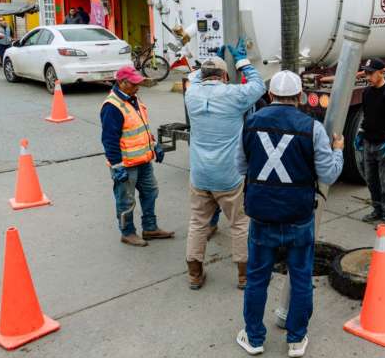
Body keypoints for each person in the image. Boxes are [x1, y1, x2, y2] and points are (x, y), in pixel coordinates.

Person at [235, 70, 344, 358]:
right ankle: (296, 340)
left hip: (261, 215)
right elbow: (329, 175)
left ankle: (254, 338)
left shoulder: (250, 123)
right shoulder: (313, 128)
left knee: (257, 278)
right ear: (299, 97)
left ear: (270, 95)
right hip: (299, 215)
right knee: (301, 277)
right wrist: (338, 150)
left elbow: (241, 167)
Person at [183, 39, 265, 290]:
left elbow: (195, 77)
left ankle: (194, 274)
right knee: (239, 224)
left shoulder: (191, 94)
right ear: (224, 76)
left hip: (200, 174)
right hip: (229, 175)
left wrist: (209, 62)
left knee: (198, 223)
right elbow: (259, 85)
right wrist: (241, 61)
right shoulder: (234, 95)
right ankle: (243, 276)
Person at [100, 65, 173, 246]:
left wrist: (154, 145)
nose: (137, 87)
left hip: (143, 160)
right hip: (126, 165)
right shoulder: (112, 107)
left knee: (151, 192)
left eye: (138, 83)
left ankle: (150, 228)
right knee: (126, 201)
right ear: (121, 83)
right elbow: (109, 140)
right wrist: (117, 166)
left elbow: (141, 127)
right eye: (133, 84)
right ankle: (127, 233)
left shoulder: (134, 99)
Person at [354, 57, 385, 228]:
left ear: (381, 73)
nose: (367, 77)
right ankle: (377, 210)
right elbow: (367, 116)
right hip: (369, 143)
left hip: (384, 144)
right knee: (372, 180)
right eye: (366, 73)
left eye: (371, 73)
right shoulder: (367, 93)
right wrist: (361, 133)